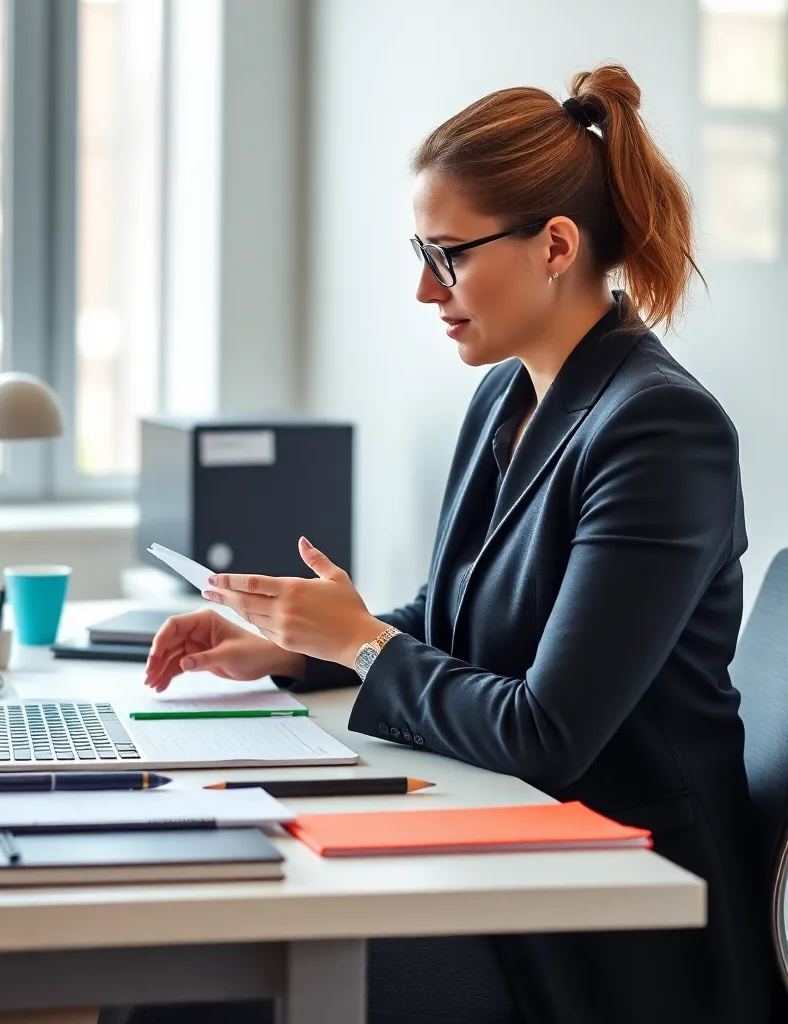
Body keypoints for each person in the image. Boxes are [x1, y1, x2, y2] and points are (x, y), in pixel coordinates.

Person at [132, 63, 769, 1024]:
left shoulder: (661, 432)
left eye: (448, 255)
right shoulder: (508, 394)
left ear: (556, 245)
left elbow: (545, 736)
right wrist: (298, 641)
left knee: (203, 983)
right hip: (517, 845)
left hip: (620, 912)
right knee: (183, 947)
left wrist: (357, 643)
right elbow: (453, 618)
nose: (425, 290)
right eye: (420, 252)